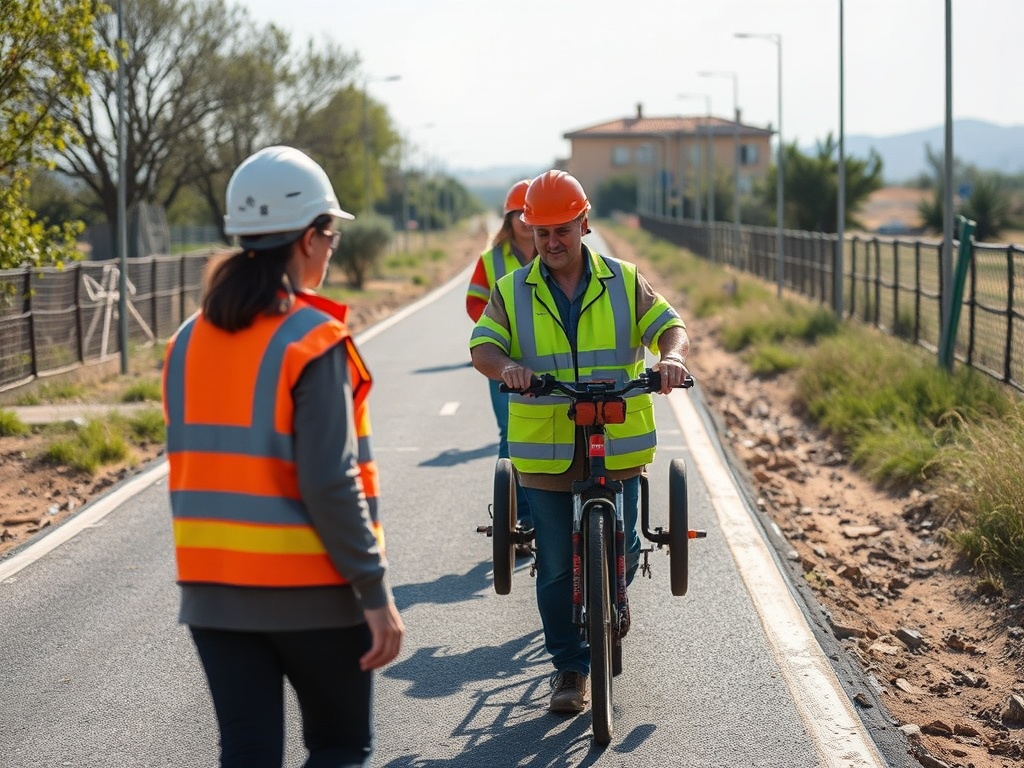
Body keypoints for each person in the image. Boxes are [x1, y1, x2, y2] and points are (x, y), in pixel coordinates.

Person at [162, 145, 404, 768]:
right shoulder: (312, 340)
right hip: (313, 590)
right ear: (307, 237)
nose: (332, 248)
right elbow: (331, 481)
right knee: (339, 747)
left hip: (213, 594)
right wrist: (373, 591)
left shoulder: (186, 341)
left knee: (247, 754)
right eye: (330, 234)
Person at [468, 170, 690, 714]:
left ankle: (613, 598)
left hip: (616, 438)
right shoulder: (511, 290)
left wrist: (671, 358)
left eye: (561, 230)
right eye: (540, 232)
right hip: (544, 450)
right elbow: (483, 346)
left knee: (626, 547)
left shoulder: (624, 279)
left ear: (584, 224)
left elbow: (670, 325)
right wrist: (508, 367)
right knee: (554, 565)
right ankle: (570, 667)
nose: (551, 242)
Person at [465, 179, 537, 534]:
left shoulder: (553, 250)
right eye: (517, 213)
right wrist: (496, 331)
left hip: (546, 356)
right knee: (511, 433)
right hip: (504, 361)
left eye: (528, 213)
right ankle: (519, 516)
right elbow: (474, 301)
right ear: (507, 217)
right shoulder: (491, 259)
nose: (523, 219)